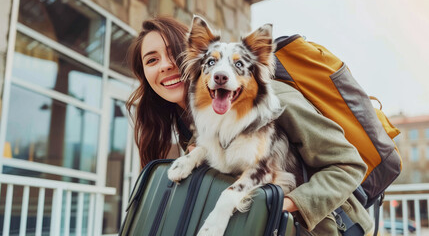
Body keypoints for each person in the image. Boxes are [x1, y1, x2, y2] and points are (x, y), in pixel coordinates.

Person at [126, 16, 373, 235]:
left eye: (172, 53)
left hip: (324, 229)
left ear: (188, 54)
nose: (165, 65)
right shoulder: (192, 121)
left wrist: (278, 204)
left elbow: (348, 165)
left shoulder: (274, 100)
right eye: (151, 60)